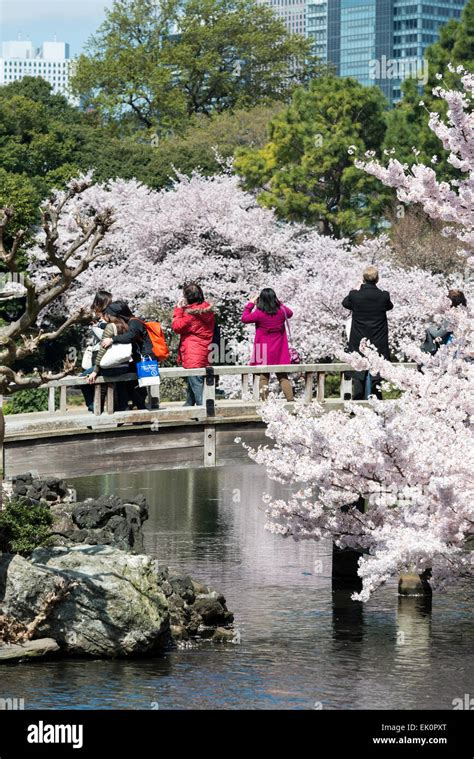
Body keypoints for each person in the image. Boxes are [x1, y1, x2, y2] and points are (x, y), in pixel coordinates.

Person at [342, 266, 393, 400]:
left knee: (359, 373)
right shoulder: (383, 295)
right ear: (377, 279)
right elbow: (389, 306)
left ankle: (358, 402)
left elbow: (345, 303)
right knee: (377, 375)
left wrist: (356, 288)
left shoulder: (355, 296)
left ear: (363, 279)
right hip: (378, 339)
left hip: (359, 339)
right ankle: (377, 402)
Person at [241, 288, 294, 402]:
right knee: (282, 376)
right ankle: (291, 400)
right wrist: (278, 302)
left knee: (264, 377)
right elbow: (290, 313)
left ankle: (265, 402)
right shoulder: (281, 311)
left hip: (263, 349)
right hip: (279, 349)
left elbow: (244, 318)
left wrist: (250, 304)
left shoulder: (259, 314)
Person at [101, 302, 155, 409]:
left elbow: (130, 336)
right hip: (137, 359)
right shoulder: (129, 322)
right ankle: (139, 411)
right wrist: (101, 325)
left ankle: (141, 411)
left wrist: (112, 339)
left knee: (133, 386)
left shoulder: (134, 322)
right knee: (130, 385)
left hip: (143, 359)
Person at [172, 283, 215, 406]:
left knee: (197, 384)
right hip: (204, 349)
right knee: (195, 381)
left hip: (193, 351)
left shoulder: (190, 314)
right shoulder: (206, 309)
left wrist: (179, 309)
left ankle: (204, 413)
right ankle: (188, 407)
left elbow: (177, 326)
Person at [84, 305, 132, 412]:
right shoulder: (125, 326)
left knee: (83, 378)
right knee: (121, 386)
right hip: (124, 366)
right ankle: (124, 410)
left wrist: (95, 370)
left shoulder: (111, 326)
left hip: (111, 367)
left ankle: (93, 407)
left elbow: (102, 349)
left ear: (109, 315)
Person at [421, 289, 467, 355]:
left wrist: (428, 328)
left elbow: (438, 334)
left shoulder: (452, 315)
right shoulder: (463, 314)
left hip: (450, 348)